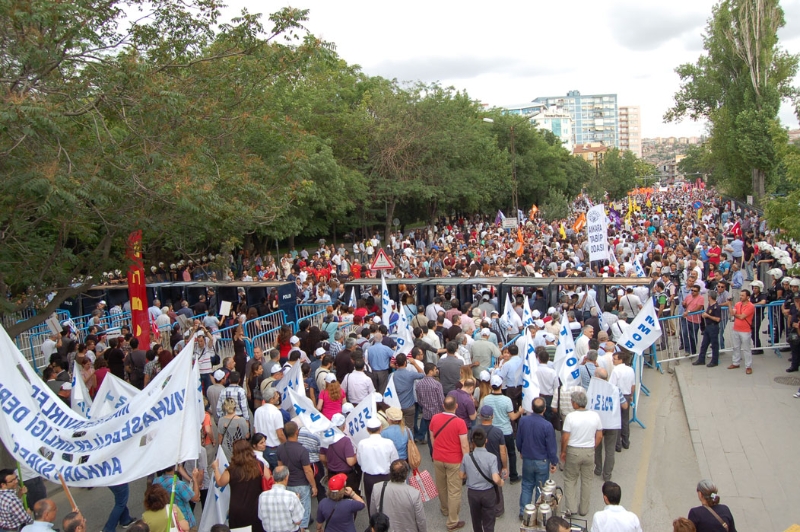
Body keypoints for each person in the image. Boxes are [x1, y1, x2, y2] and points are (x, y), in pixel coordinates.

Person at [212, 439, 271, 532]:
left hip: (237, 510)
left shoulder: (231, 469)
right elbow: (269, 479)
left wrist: (215, 468)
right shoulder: (259, 465)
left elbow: (220, 482)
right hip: (256, 508)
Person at [561, 390, 603, 517]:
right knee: (587, 481)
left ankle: (572, 508)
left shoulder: (570, 417)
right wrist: (592, 447)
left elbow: (565, 437)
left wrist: (563, 451)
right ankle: (584, 509)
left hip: (573, 451)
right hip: (589, 451)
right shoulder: (595, 416)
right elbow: (599, 436)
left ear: (575, 403)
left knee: (570, 479)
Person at [429, 396, 469, 531]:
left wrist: (436, 451)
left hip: (438, 458)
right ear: (456, 406)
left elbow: (432, 437)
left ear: (443, 406)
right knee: (454, 490)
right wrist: (466, 463)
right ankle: (452, 521)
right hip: (454, 460)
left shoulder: (435, 418)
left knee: (441, 486)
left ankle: (445, 508)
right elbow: (464, 445)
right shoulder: (460, 422)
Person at [516, 397, 558, 518]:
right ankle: (539, 512)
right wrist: (554, 462)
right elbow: (551, 446)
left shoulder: (523, 421)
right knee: (541, 488)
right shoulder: (547, 425)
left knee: (526, 485)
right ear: (544, 409)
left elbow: (519, 439)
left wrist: (521, 450)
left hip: (528, 459)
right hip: (542, 461)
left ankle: (524, 512)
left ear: (532, 408)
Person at [276, 421, 317, 531]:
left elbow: (280, 467)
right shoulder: (302, 450)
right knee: (303, 511)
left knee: (291, 511)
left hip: (287, 484)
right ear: (296, 432)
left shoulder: (280, 448)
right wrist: (314, 486)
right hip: (301, 484)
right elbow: (308, 471)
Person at [460, 429, 503, 532]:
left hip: (473, 493)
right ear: (486, 441)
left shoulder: (467, 457)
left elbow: (461, 475)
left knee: (476, 521)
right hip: (488, 493)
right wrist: (501, 482)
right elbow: (495, 478)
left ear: (473, 442)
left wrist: (471, 474)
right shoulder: (492, 457)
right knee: (489, 522)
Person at [482, 375, 521, 483]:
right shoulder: (507, 400)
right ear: (501, 385)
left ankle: (494, 473)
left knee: (494, 453)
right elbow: (512, 417)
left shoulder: (486, 399)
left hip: (492, 430)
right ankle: (513, 476)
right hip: (506, 430)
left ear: (491, 386)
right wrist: (520, 412)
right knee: (511, 453)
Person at [369, 460, 427, 532]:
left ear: (390, 472)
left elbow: (373, 513)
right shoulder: (414, 493)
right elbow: (420, 520)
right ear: (406, 474)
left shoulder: (377, 488)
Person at [357, 417, 398, 515]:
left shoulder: (362, 443)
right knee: (387, 502)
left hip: (369, 477)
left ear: (367, 430)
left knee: (371, 503)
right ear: (381, 428)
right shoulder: (388, 443)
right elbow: (395, 461)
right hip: (386, 477)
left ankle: (373, 522)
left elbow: (359, 461)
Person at [592, 368, 628, 482]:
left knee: (597, 447)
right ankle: (607, 475)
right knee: (610, 450)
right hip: (612, 424)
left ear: (598, 377)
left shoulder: (593, 389)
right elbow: (625, 406)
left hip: (598, 424)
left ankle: (598, 469)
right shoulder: (615, 389)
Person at [151, 465, 203, 530]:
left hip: (166, 520)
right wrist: (194, 479)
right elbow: (196, 498)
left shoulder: (156, 481)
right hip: (183, 522)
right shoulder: (179, 485)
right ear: (175, 468)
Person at [257, 466, 304, 532]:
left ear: (273, 478)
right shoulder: (292, 496)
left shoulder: (262, 496)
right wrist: (297, 500)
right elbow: (298, 521)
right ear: (286, 477)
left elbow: (261, 517)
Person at [254, 388, 286, 470]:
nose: (278, 396)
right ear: (271, 399)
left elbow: (255, 430)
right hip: (273, 448)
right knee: (278, 472)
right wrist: (286, 445)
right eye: (276, 395)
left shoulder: (258, 411)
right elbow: (280, 434)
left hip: (260, 448)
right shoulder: (276, 412)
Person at [609, 350, 635, 452]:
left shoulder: (615, 371)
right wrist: (631, 395)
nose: (613, 361)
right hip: (627, 396)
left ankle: (618, 444)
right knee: (625, 420)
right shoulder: (630, 370)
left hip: (617, 397)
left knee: (617, 421)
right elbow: (633, 385)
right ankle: (626, 442)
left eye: (614, 359)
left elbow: (612, 386)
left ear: (620, 360)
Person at [729, 289, 755, 375]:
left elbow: (742, 317)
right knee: (736, 347)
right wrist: (729, 305)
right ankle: (735, 363)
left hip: (745, 330)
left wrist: (735, 314)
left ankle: (748, 366)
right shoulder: (738, 304)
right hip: (736, 329)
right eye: (740, 295)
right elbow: (732, 313)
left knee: (746, 348)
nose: (740, 297)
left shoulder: (750, 306)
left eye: (742, 295)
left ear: (748, 297)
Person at [694, 290, 722, 367]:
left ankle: (714, 361)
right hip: (708, 327)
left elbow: (718, 319)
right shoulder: (710, 305)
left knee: (714, 345)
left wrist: (708, 316)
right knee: (704, 344)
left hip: (713, 327)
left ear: (710, 297)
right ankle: (701, 359)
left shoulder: (716, 307)